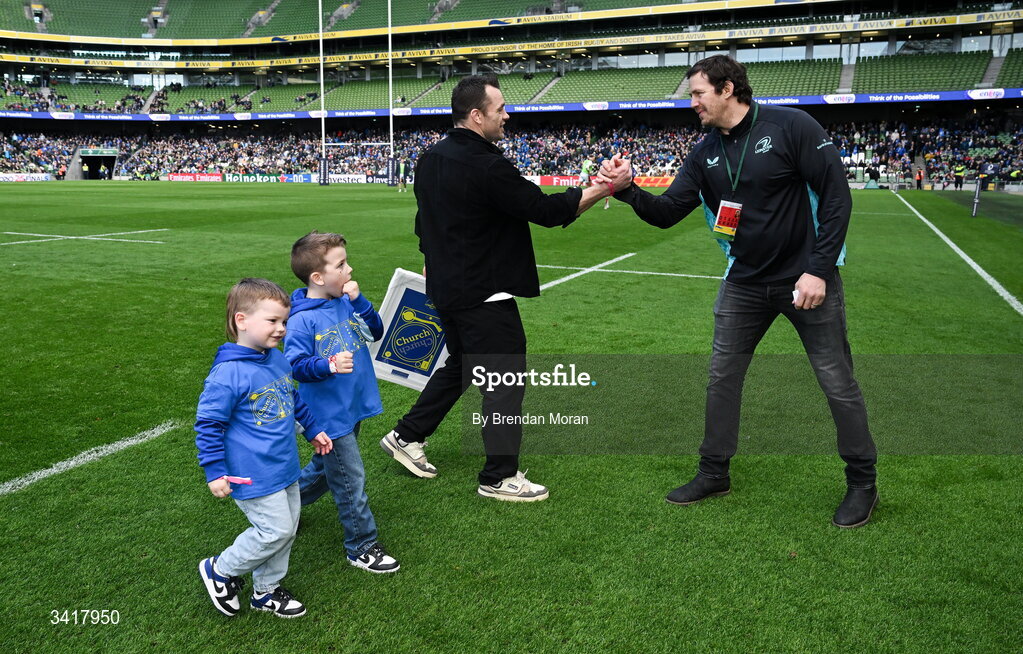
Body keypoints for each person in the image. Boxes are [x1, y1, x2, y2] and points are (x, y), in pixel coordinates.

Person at [597, 55, 878, 528]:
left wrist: (818, 271)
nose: (693, 103)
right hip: (744, 284)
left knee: (837, 382)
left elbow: (836, 196)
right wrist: (626, 190)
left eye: (698, 93)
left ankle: (862, 483)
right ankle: (714, 473)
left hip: (806, 282)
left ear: (727, 89)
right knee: (721, 379)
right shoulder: (704, 151)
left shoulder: (792, 126)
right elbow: (667, 212)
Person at [379, 74, 626, 502]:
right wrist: (606, 187)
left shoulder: (429, 159)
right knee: (504, 380)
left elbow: (425, 225)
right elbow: (545, 211)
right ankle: (499, 476)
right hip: (483, 292)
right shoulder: (488, 164)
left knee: (461, 365)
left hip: (447, 288)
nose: (507, 116)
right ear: (476, 116)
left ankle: (407, 434)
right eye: (500, 109)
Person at [195, 278, 334, 618]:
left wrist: (312, 430)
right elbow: (209, 425)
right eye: (272, 321)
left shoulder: (276, 359)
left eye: (284, 321)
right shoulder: (227, 374)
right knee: (276, 531)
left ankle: (265, 591)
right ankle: (220, 569)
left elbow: (293, 398)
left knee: (286, 531)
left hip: (284, 466)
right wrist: (215, 472)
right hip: (251, 474)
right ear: (241, 320)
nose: (281, 329)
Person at [285, 231, 400, 574]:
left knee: (325, 471)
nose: (349, 269)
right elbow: (294, 365)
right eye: (341, 264)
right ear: (318, 278)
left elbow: (376, 331)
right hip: (326, 415)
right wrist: (328, 365)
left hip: (350, 404)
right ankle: (361, 546)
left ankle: (285, 510)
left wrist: (360, 300)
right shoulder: (301, 319)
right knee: (350, 479)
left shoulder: (344, 301)